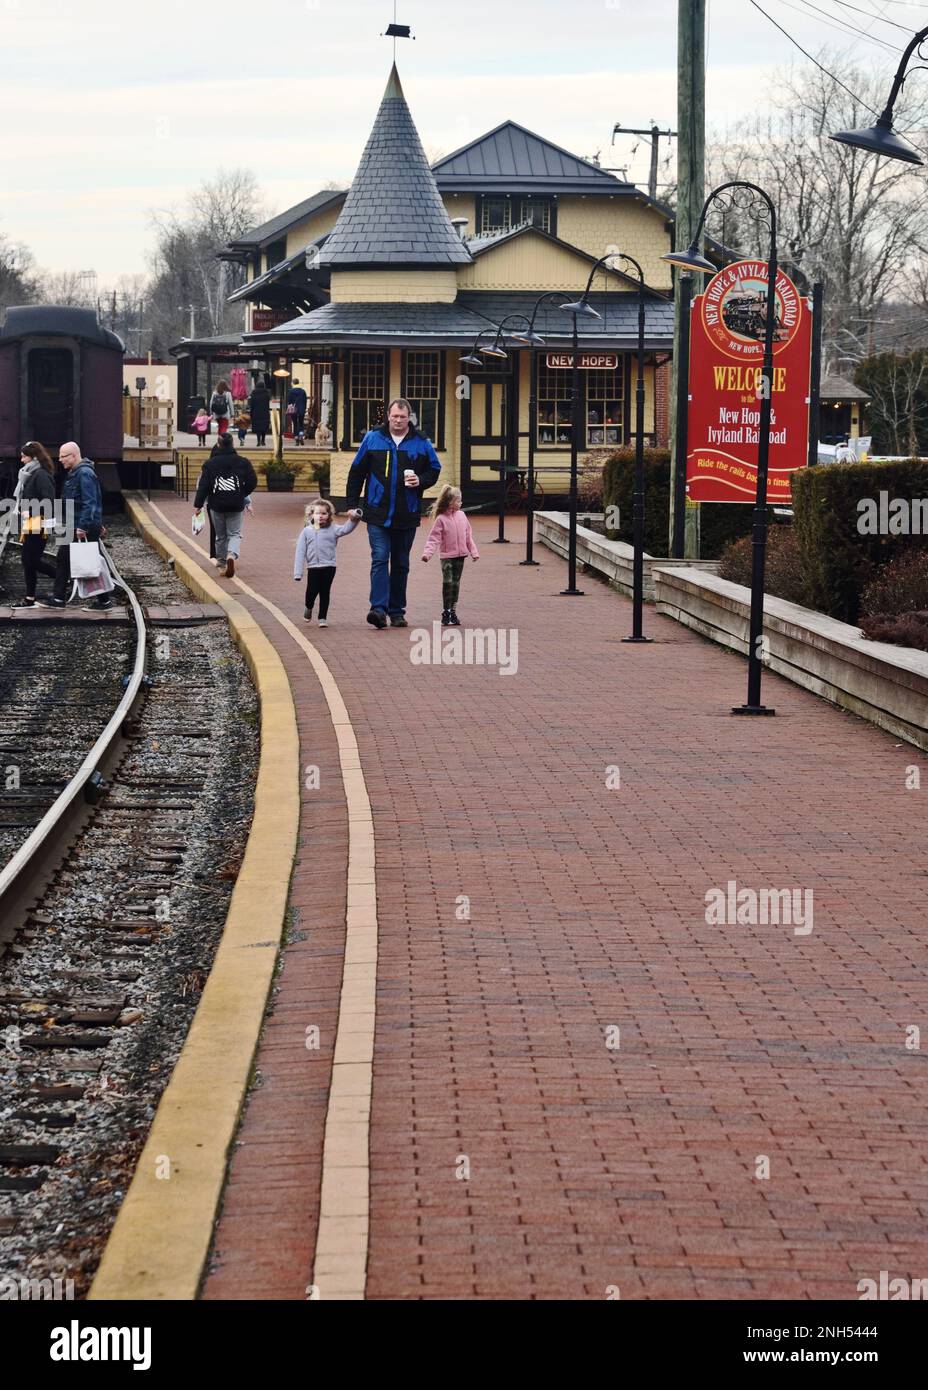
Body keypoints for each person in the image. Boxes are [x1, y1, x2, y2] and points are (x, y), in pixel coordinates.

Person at [346, 397, 441, 629]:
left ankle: (397, 611)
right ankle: (378, 609)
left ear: (409, 418)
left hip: (406, 513)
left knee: (400, 563)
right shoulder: (372, 438)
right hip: (377, 512)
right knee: (380, 557)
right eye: (395, 416)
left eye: (403, 416)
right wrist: (351, 504)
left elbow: (434, 469)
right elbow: (356, 472)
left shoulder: (421, 442)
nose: (398, 420)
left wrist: (421, 481)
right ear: (388, 416)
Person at [48, 442, 110, 610]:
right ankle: (103, 600)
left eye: (63, 456)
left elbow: (90, 502)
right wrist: (96, 522)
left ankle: (59, 598)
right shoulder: (77, 472)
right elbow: (92, 501)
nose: (59, 459)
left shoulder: (84, 473)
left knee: (77, 560)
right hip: (76, 524)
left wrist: (84, 526)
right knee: (76, 560)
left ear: (74, 455)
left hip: (79, 526)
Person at [193, 432, 257, 578]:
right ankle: (232, 555)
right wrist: (241, 493)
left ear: (218, 445)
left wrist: (198, 505)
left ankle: (221, 562)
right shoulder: (243, 462)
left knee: (220, 535)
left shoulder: (209, 464)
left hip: (217, 504)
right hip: (236, 504)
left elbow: (204, 486)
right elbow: (253, 481)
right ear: (233, 444)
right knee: (234, 533)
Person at [293, 499, 362, 627]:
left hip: (329, 566)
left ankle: (322, 618)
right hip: (313, 567)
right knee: (311, 591)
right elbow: (300, 552)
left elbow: (346, 529)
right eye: (318, 513)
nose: (321, 516)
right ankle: (308, 607)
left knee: (325, 591)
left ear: (329, 515)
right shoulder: (307, 531)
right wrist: (298, 573)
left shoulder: (333, 529)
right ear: (312, 515)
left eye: (324, 513)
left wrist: (355, 517)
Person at [420, 485, 480, 626]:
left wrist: (474, 552)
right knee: (448, 582)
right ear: (450, 502)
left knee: (456, 583)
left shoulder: (462, 516)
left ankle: (453, 611)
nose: (461, 503)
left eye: (461, 500)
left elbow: (468, 536)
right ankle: (445, 611)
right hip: (447, 556)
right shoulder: (441, 519)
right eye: (458, 501)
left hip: (461, 556)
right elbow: (434, 538)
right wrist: (427, 554)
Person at [13, 441, 56, 607]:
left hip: (39, 523)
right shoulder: (30, 474)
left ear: (34, 457)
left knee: (30, 560)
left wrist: (31, 512)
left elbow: (49, 501)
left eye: (24, 456)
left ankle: (60, 576)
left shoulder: (41, 475)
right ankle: (30, 597)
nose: (22, 460)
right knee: (29, 560)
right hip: (31, 523)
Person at [249, 379, 271, 448]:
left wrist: (251, 413)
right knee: (264, 427)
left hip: (256, 412)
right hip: (264, 412)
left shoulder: (253, 394)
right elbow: (268, 403)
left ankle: (258, 441)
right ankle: (263, 441)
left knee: (257, 427)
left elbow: (251, 404)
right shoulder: (266, 394)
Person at [287, 379, 308, 445]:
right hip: (301, 410)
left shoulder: (290, 391)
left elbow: (289, 401)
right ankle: (301, 436)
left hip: (294, 410)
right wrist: (304, 409)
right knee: (301, 424)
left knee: (295, 424)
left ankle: (296, 438)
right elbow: (305, 401)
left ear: (293, 383)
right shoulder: (303, 391)